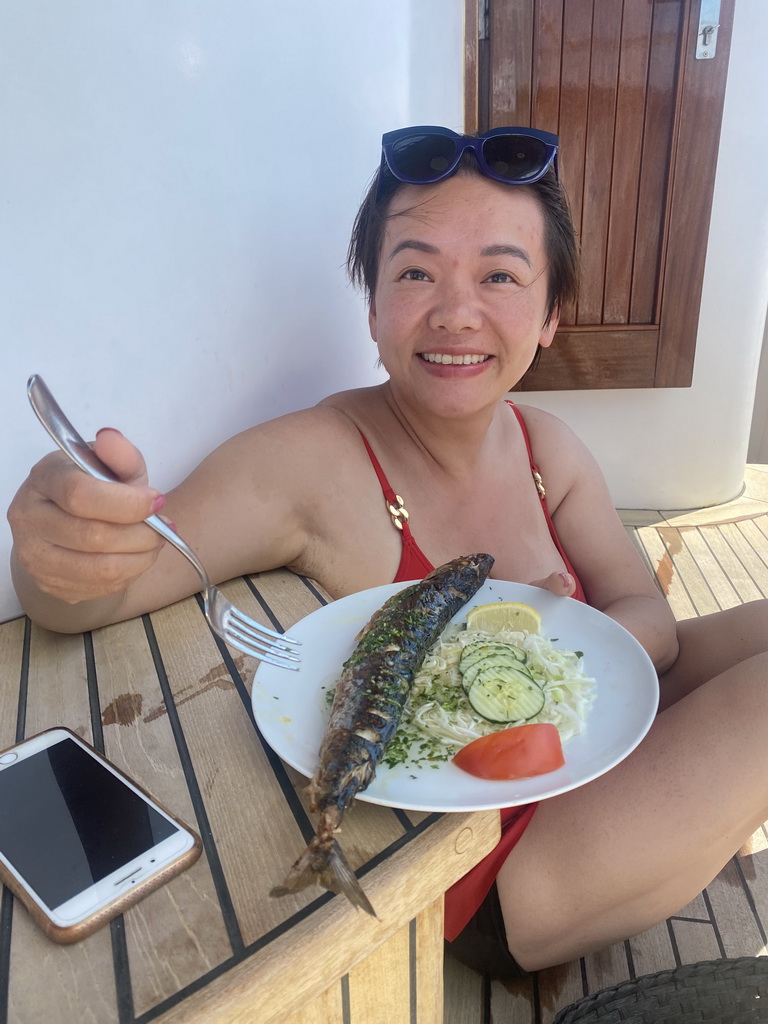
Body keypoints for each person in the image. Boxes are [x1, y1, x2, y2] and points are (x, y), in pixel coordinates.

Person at [8, 125, 768, 977]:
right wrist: (63, 550)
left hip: (596, 737)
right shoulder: (317, 459)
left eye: (501, 275)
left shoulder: (548, 448)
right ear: (371, 308)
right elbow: (102, 587)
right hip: (497, 867)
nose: (455, 313)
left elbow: (651, 624)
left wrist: (556, 641)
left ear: (551, 314)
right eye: (414, 271)